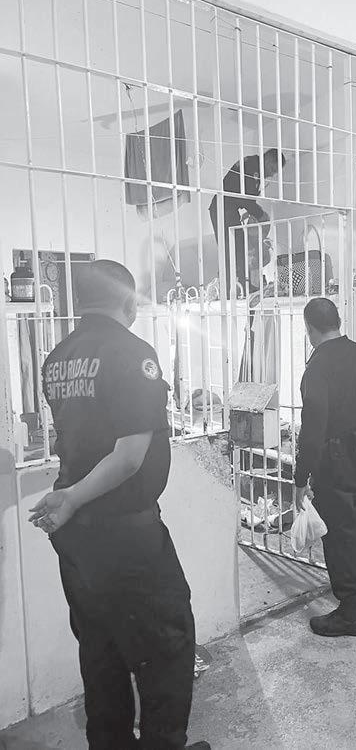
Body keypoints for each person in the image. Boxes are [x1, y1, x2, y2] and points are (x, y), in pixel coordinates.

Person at [29, 260, 209, 750]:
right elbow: (130, 457)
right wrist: (72, 498)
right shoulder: (132, 353)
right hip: (126, 535)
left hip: (77, 541)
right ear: (129, 302)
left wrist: (71, 498)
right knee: (167, 649)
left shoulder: (57, 358)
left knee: (101, 652)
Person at [294, 298, 356, 637]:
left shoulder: (318, 366)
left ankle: (350, 615)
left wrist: (301, 476)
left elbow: (313, 427)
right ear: (339, 321)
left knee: (340, 534)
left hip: (334, 460)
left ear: (309, 328)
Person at [209, 148, 286, 293]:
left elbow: (245, 199)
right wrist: (260, 213)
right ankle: (231, 287)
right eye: (272, 169)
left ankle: (242, 284)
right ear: (267, 160)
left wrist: (255, 213)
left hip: (229, 208)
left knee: (239, 246)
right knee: (230, 248)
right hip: (222, 208)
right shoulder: (251, 166)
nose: (272, 174)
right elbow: (245, 199)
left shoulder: (253, 166)